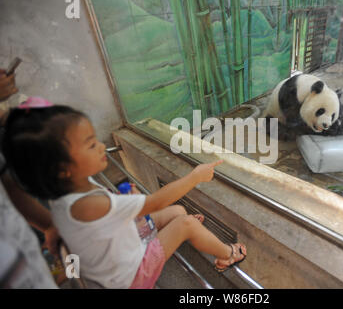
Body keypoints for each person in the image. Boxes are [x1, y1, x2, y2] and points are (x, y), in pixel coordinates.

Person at [2, 104, 247, 289]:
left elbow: (74, 238)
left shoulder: (61, 196)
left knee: (178, 212)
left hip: (113, 253)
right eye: (90, 144)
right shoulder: (89, 205)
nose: (100, 146)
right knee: (186, 223)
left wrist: (73, 270)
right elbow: (155, 202)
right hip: (131, 276)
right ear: (63, 168)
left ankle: (184, 232)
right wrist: (195, 176)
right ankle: (227, 255)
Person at [0, 68, 58, 288]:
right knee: (69, 261)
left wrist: (52, 226)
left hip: (31, 253)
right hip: (18, 266)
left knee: (69, 260)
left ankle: (71, 274)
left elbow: (12, 190)